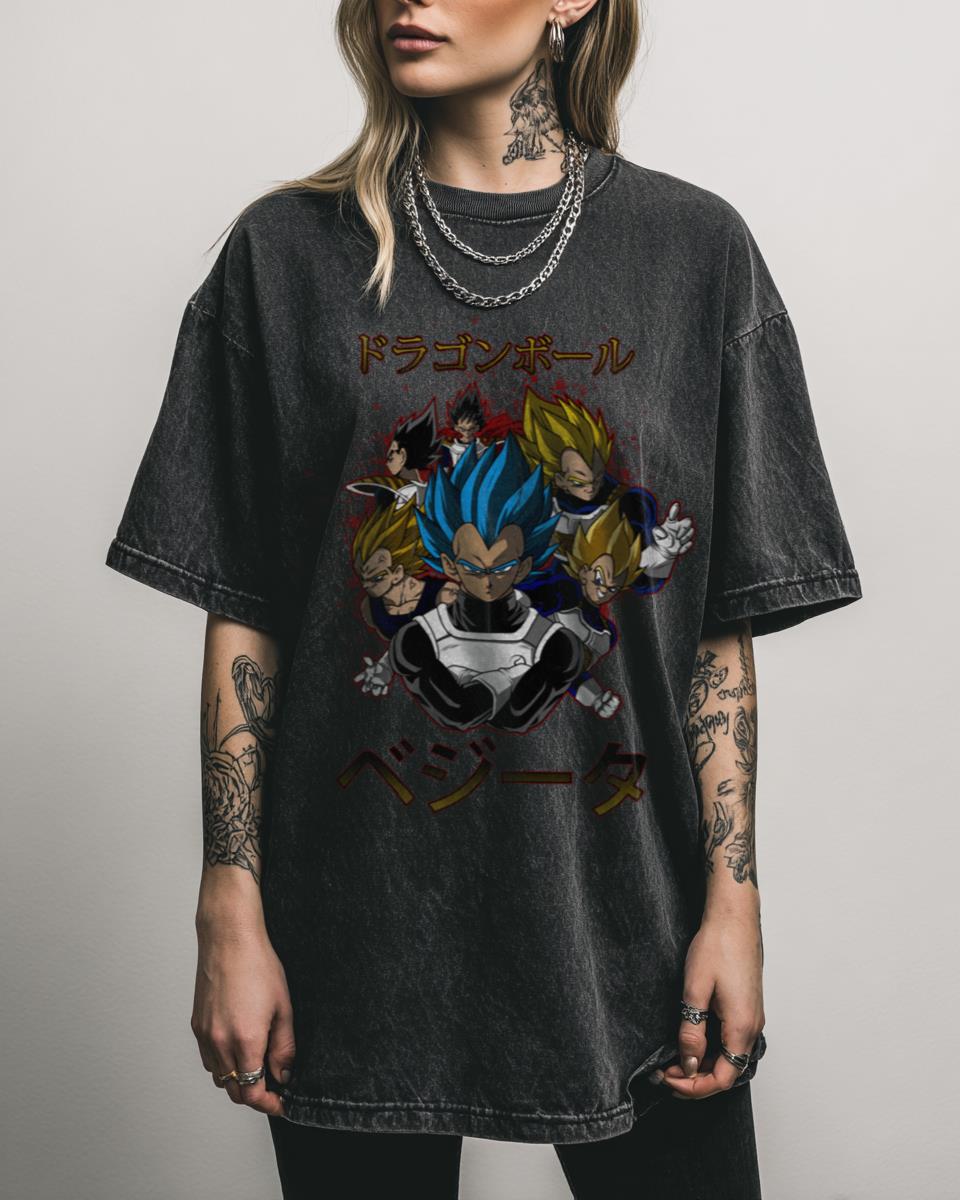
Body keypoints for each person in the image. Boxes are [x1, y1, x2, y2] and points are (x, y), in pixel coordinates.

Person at [103, 1, 863, 1196]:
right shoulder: (284, 256)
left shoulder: (694, 254)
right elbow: (245, 610)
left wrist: (735, 901)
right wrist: (229, 904)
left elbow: (716, 633)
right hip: (352, 932)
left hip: (632, 927)